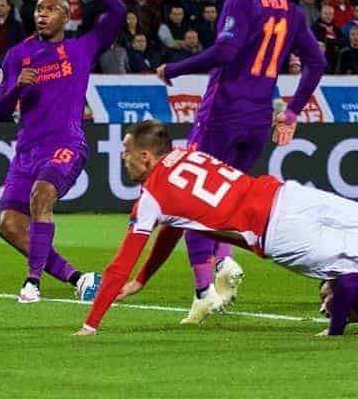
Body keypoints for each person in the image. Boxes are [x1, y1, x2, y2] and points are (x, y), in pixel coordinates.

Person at [156, 0, 326, 322]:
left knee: (193, 200)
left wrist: (175, 68)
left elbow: (226, 51)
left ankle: (204, 289)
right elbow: (316, 63)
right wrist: (290, 111)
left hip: (223, 113)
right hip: (256, 122)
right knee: (225, 198)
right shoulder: (291, 9)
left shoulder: (240, 0)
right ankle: (225, 259)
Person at [76, 121, 358, 338]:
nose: (124, 159)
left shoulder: (151, 198)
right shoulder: (187, 155)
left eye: (127, 153)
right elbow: (174, 227)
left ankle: (339, 324)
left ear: (146, 156)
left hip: (278, 230)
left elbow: (119, 265)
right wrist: (142, 280)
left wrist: (91, 324)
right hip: (288, 194)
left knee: (349, 273)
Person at [0, 0, 125, 304]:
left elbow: (119, 12)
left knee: (41, 196)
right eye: (39, 8)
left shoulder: (81, 48)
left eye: (51, 9)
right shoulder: (17, 55)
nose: (42, 14)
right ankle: (79, 279)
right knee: (9, 226)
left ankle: (32, 282)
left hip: (66, 142)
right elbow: (0, 114)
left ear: (66, 16)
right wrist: (15, 88)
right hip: (27, 151)